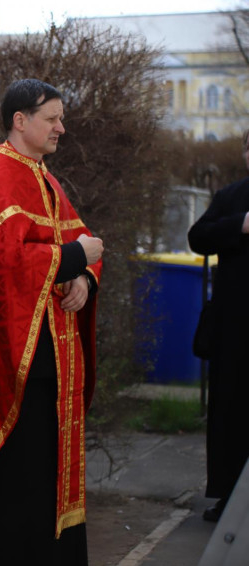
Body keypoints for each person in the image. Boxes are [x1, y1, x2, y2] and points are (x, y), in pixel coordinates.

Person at [0, 79, 103, 565]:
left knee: (46, 480)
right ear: (20, 120)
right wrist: (73, 258)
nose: (61, 128)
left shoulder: (41, 176)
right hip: (10, 371)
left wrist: (84, 278)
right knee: (17, 488)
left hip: (50, 364)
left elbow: (81, 242)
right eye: (52, 118)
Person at [187, 128, 249, 523]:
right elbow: (198, 237)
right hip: (235, 329)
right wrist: (239, 225)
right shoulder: (231, 197)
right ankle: (229, 497)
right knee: (232, 411)